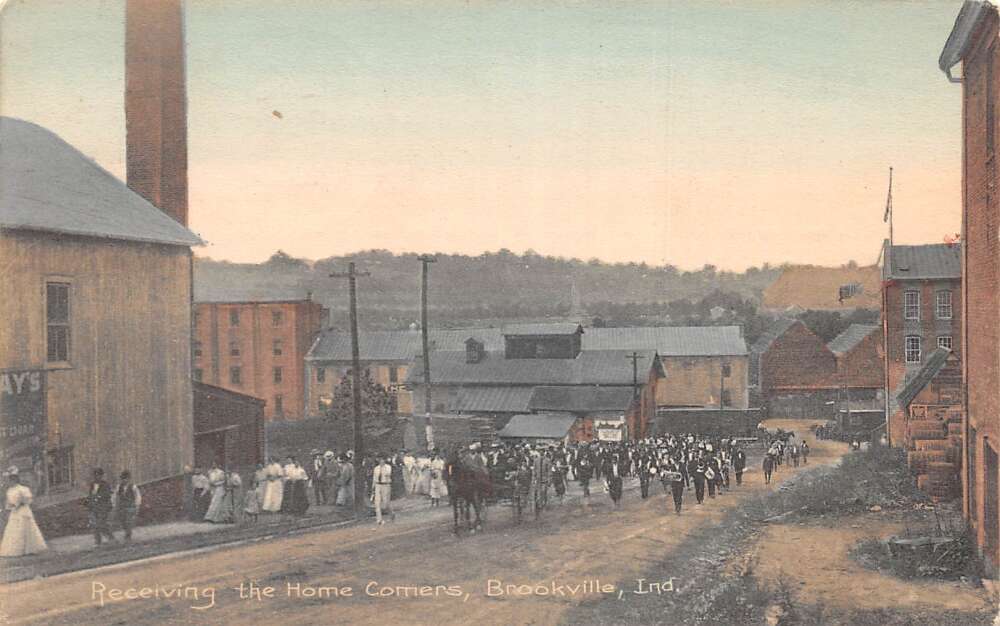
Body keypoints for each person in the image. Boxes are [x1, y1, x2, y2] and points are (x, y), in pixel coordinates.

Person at [0, 468, 47, 557]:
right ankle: (16, 550)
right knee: (14, 529)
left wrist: (20, 503)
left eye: (11, 479)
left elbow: (28, 500)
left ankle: (29, 549)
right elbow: (8, 503)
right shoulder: (9, 490)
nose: (10, 482)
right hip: (14, 512)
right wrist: (10, 506)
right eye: (9, 480)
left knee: (25, 528)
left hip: (23, 510)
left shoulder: (23, 489)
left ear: (15, 479)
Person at [87, 468, 115, 546]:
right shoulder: (92, 485)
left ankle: (111, 538)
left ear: (101, 476)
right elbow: (90, 495)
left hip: (103, 507)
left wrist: (98, 496)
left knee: (101, 524)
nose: (97, 477)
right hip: (94, 507)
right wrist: (89, 505)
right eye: (95, 475)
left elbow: (107, 494)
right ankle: (98, 542)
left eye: (99, 475)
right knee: (95, 525)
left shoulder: (105, 484)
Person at [112, 470, 142, 542]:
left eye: (126, 478)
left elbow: (138, 496)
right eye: (123, 478)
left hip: (130, 506)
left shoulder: (133, 486)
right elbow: (114, 496)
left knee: (128, 520)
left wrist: (137, 504)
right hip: (122, 507)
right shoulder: (119, 487)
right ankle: (127, 532)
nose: (124, 480)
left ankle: (128, 535)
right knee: (123, 521)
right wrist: (114, 504)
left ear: (129, 479)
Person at [372, 455, 394, 526]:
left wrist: (382, 468)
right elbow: (374, 478)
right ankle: (379, 520)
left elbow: (388, 474)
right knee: (377, 503)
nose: (381, 461)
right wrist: (373, 487)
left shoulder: (388, 467)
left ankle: (391, 513)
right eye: (380, 459)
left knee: (386, 503)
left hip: (386, 485)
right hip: (378, 485)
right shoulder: (376, 468)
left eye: (382, 459)